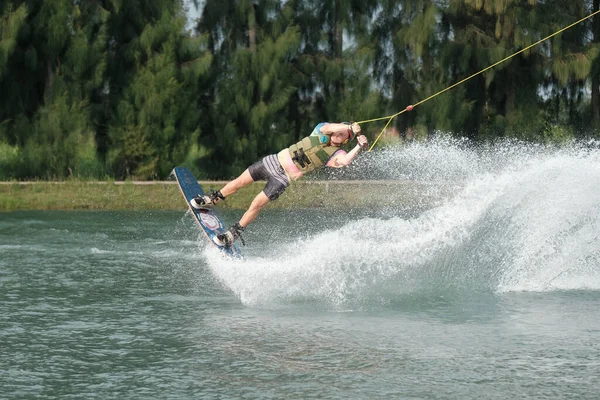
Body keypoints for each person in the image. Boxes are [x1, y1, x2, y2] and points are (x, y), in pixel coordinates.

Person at [191, 121, 368, 247]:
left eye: (343, 134)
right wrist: (348, 126)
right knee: (239, 182)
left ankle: (232, 235)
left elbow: (345, 161)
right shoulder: (320, 130)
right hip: (272, 162)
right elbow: (330, 127)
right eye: (339, 130)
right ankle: (211, 200)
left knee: (256, 204)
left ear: (345, 140)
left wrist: (358, 146)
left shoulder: (335, 154)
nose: (338, 133)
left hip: (283, 179)